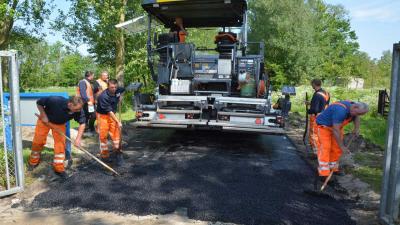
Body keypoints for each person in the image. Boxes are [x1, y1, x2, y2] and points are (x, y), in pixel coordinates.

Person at [28, 96, 86, 180]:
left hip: (59, 124)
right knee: (38, 142)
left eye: (79, 109)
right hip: (45, 121)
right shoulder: (55, 100)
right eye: (76, 109)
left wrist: (78, 139)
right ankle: (33, 162)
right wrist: (44, 115)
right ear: (70, 104)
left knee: (60, 145)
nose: (78, 111)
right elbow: (39, 102)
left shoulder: (79, 109)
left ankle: (58, 168)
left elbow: (82, 123)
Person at [316, 101, 369, 179]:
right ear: (355, 107)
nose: (358, 115)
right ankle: (323, 173)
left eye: (360, 114)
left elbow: (356, 117)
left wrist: (356, 128)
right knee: (325, 148)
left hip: (336, 127)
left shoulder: (354, 108)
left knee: (336, 148)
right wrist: (342, 147)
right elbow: (335, 130)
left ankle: (333, 168)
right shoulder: (340, 111)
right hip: (324, 127)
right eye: (358, 113)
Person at [96, 79, 125, 165]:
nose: (114, 89)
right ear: (108, 86)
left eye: (115, 87)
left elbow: (123, 90)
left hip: (113, 114)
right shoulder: (103, 96)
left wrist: (120, 97)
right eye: (112, 87)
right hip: (103, 116)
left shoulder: (118, 90)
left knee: (116, 134)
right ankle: (104, 156)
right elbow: (109, 111)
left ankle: (118, 152)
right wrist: (118, 122)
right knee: (103, 136)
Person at [306, 79, 330, 155]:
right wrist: (310, 103)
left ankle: (316, 153)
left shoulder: (317, 94)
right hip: (325, 116)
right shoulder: (326, 93)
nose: (311, 86)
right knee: (321, 135)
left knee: (314, 135)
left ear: (314, 84)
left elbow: (315, 109)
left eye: (311, 84)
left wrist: (309, 111)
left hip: (316, 117)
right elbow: (323, 104)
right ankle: (321, 150)